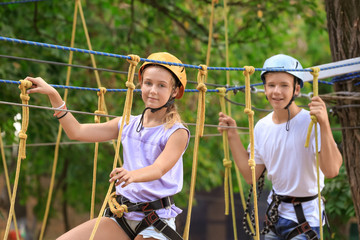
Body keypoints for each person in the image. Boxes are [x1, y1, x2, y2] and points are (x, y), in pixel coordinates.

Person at [25, 52, 190, 240]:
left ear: (175, 91)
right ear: (141, 84)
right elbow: (77, 131)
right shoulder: (126, 124)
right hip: (122, 215)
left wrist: (131, 175)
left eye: (161, 85)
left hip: (156, 219)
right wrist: (54, 96)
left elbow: (159, 168)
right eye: (148, 83)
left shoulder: (176, 132)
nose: (153, 90)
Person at [218, 54, 342, 240]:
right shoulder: (261, 127)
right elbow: (251, 176)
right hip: (275, 216)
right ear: (265, 89)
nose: (277, 91)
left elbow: (332, 170)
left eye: (284, 85)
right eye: (271, 85)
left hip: (307, 219)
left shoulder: (312, 122)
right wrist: (233, 135)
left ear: (297, 89)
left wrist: (324, 123)